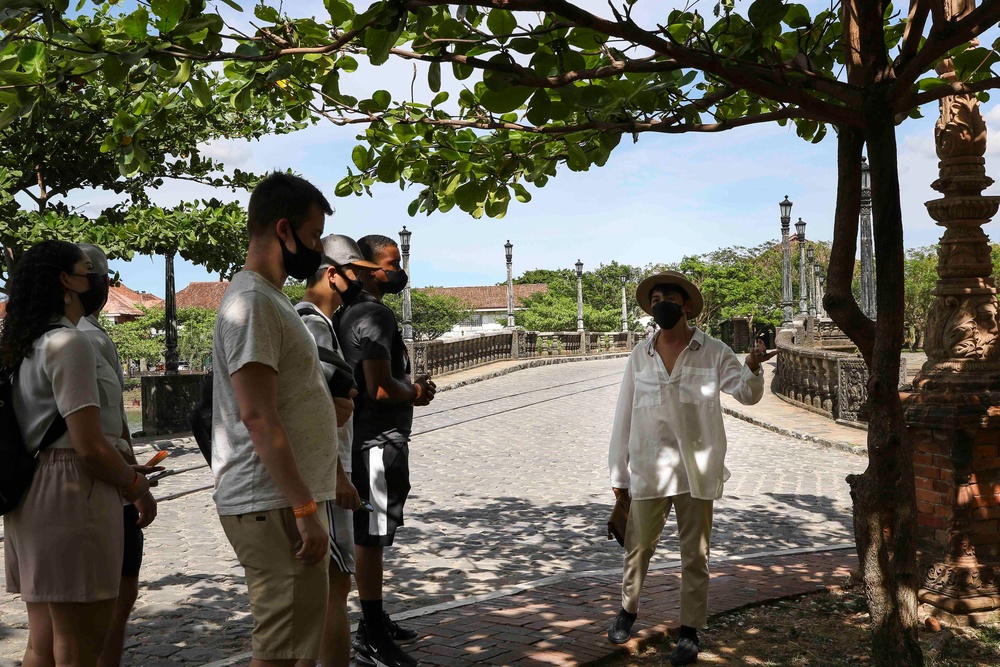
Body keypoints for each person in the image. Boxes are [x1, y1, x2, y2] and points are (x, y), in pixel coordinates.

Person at [606, 271, 777, 666]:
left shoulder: (713, 351)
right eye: (655, 298)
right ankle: (628, 610)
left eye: (667, 296)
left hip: (696, 472)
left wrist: (751, 364)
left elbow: (747, 395)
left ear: (686, 306)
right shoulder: (639, 354)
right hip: (649, 469)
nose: (660, 302)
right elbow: (623, 416)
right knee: (638, 548)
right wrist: (619, 474)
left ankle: (689, 630)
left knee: (694, 555)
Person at [0, 240, 151, 667]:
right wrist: (136, 485)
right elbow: (88, 446)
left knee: (42, 642)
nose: (97, 280)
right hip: (73, 492)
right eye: (88, 270)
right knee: (82, 644)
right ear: (67, 281)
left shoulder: (26, 343)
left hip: (32, 490)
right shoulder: (70, 343)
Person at [211, 172, 340, 666]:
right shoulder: (253, 303)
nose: (316, 251)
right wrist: (305, 510)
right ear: (283, 230)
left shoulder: (269, 299)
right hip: (276, 500)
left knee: (294, 644)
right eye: (311, 238)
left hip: (286, 497)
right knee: (282, 650)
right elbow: (258, 416)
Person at [336, 234, 436, 667]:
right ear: (367, 269)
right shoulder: (374, 315)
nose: (396, 271)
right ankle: (371, 632)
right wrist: (416, 390)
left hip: (364, 439)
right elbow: (379, 387)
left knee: (372, 532)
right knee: (372, 535)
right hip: (376, 442)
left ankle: (375, 618)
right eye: (391, 263)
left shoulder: (346, 313)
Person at [294, 234, 378, 667]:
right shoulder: (311, 324)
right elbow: (315, 411)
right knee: (333, 588)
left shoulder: (314, 322)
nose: (359, 285)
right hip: (325, 480)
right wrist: (339, 476)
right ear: (332, 274)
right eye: (354, 275)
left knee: (328, 589)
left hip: (325, 476)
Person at [75, 243, 160, 667]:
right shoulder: (86, 338)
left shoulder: (47, 336)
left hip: (79, 482)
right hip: (101, 482)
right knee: (113, 599)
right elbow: (109, 429)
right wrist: (133, 484)